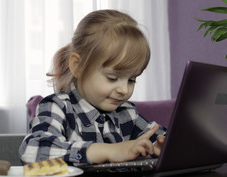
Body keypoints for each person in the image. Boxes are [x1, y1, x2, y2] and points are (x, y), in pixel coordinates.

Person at [19, 9, 166, 166]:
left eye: (131, 80)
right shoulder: (58, 107)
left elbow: (163, 137)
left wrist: (162, 145)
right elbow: (32, 150)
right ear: (78, 66)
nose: (124, 90)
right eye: (112, 78)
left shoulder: (127, 113)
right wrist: (109, 151)